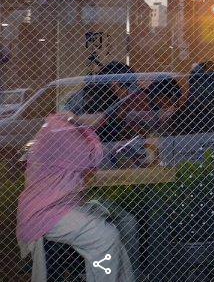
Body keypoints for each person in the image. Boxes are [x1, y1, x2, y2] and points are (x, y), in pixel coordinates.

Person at [17, 105, 137, 282]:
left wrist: (83, 126)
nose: (104, 120)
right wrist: (84, 125)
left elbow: (92, 157)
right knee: (105, 235)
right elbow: (91, 158)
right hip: (44, 211)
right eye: (102, 114)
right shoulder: (58, 127)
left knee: (125, 222)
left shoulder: (66, 127)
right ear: (84, 112)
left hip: (65, 203)